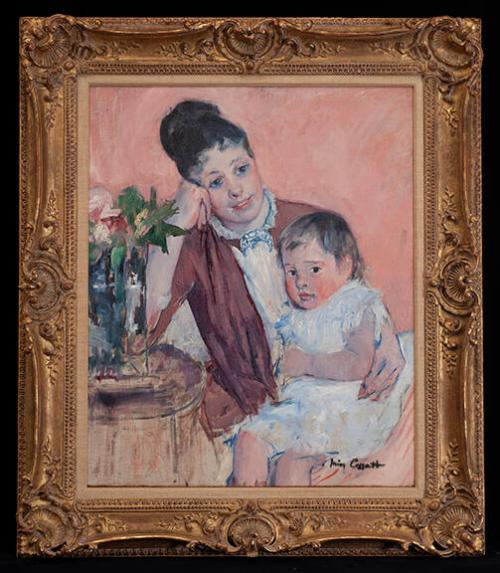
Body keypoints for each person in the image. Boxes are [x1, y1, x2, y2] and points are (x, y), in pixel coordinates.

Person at [141, 100, 318, 438]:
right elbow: (140, 332)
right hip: (254, 410)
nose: (236, 189)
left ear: (254, 160)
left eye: (241, 169)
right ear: (197, 192)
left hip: (329, 383)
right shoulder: (193, 248)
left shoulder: (306, 222)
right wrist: (175, 222)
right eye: (216, 182)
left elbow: (356, 298)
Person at [232, 212, 412, 486]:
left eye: (314, 270)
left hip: (338, 409)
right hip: (299, 406)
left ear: (345, 267)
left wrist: (306, 363)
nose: (301, 282)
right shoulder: (295, 314)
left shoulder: (355, 305)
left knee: (292, 464)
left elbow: (358, 364)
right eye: (292, 272)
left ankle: (288, 513)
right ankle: (245, 508)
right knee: (248, 441)